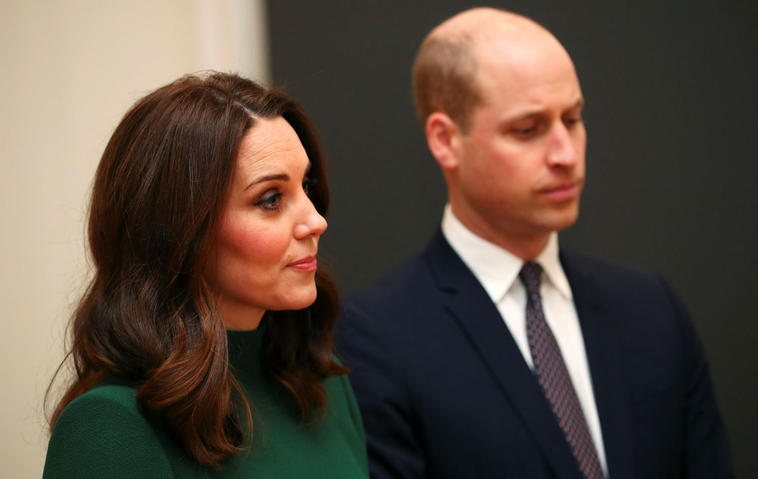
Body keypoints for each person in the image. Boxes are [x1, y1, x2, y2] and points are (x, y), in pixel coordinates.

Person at [338, 8, 733, 479]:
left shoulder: (651, 309)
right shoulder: (376, 338)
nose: (566, 154)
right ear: (445, 140)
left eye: (573, 118)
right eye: (527, 129)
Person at [43, 72, 368, 478]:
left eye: (307, 185)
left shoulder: (320, 383)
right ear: (180, 230)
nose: (316, 221)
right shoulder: (110, 427)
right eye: (271, 199)